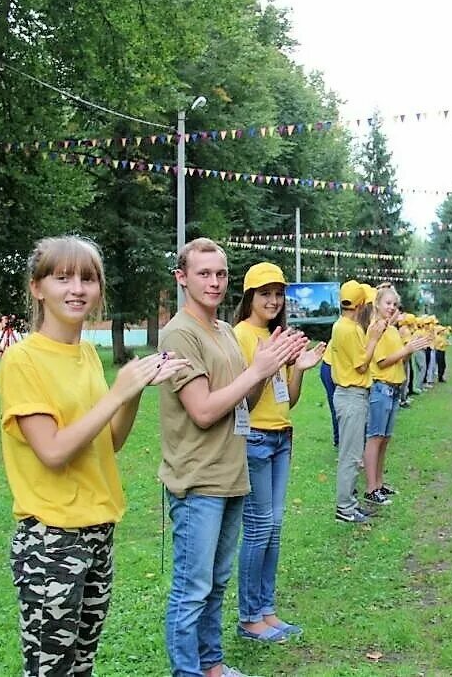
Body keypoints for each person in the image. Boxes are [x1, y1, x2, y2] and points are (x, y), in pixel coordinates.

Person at [0, 236, 188, 677]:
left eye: (88, 278)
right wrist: (117, 391)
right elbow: (52, 451)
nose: (77, 288)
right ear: (37, 287)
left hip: (97, 531)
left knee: (82, 663)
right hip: (51, 540)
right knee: (51, 670)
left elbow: (110, 442)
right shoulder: (22, 360)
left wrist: (134, 393)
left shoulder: (85, 353)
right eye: (62, 277)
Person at [158, 238, 306, 676]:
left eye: (220, 274)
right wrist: (256, 371)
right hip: (197, 479)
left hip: (232, 472)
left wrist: (269, 367)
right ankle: (188, 672)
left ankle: (212, 666)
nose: (214, 282)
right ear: (182, 277)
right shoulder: (178, 332)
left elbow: (245, 401)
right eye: (204, 273)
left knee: (217, 583)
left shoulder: (223, 331)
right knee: (192, 587)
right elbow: (203, 410)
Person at [233, 263, 325, 642]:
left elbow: (288, 398)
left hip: (281, 437)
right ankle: (249, 617)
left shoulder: (279, 335)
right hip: (253, 438)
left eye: (278, 293)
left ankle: (267, 610)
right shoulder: (240, 336)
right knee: (258, 529)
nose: (272, 300)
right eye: (264, 293)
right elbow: (244, 400)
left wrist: (299, 367)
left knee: (274, 528)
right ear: (249, 297)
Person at [364, 285, 431, 505]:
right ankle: (371, 487)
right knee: (375, 438)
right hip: (381, 387)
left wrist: (407, 350)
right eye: (388, 303)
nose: (392, 308)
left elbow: (397, 358)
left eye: (394, 304)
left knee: (385, 439)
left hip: (393, 388)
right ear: (377, 304)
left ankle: (380, 484)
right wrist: (407, 349)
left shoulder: (391, 329)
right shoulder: (376, 329)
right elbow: (382, 361)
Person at [330, 280, 387, 523]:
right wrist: (373, 338)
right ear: (361, 304)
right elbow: (361, 364)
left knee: (352, 454)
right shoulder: (349, 329)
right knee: (351, 455)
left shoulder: (342, 325)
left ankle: (349, 504)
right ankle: (345, 508)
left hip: (350, 395)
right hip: (351, 395)